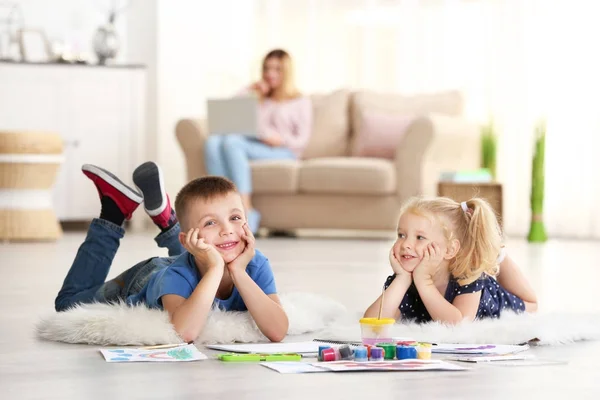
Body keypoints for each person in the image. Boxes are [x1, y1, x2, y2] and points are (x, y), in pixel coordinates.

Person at [54, 161, 289, 343]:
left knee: (200, 248)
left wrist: (238, 271)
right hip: (146, 279)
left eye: (235, 218)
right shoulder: (174, 276)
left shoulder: (255, 264)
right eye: (210, 222)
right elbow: (185, 332)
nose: (228, 230)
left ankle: (169, 219)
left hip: (191, 255)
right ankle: (114, 210)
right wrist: (217, 268)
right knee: (67, 305)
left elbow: (278, 330)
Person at [363, 196, 538, 324]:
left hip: (498, 303)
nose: (405, 244)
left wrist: (424, 281)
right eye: (401, 235)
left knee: (531, 305)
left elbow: (457, 325)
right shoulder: (405, 279)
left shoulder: (468, 275)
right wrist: (401, 279)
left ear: (450, 250)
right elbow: (372, 322)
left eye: (419, 238)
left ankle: (496, 252)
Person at [204, 49, 313, 233]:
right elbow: (229, 112)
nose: (270, 74)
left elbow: (301, 140)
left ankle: (246, 210)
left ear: (287, 72)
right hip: (255, 143)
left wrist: (280, 139)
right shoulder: (261, 97)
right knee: (212, 142)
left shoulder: (300, 101)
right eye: (267, 68)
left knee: (231, 142)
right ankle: (223, 207)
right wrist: (250, 91)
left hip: (284, 150)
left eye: (277, 69)